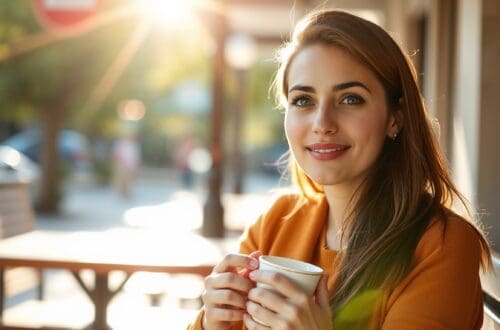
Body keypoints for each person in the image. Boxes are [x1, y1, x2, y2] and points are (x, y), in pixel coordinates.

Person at [189, 9, 492, 330]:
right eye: (304, 100)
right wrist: (212, 323)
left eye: (350, 99)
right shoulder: (277, 223)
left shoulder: (441, 245)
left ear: (395, 117)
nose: (322, 124)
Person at [113, 132, 141, 197]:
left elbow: (136, 157)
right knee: (122, 179)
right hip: (122, 165)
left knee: (129, 180)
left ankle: (128, 193)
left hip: (131, 166)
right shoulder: (121, 144)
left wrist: (136, 166)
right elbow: (117, 155)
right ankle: (122, 192)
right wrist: (122, 163)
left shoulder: (134, 145)